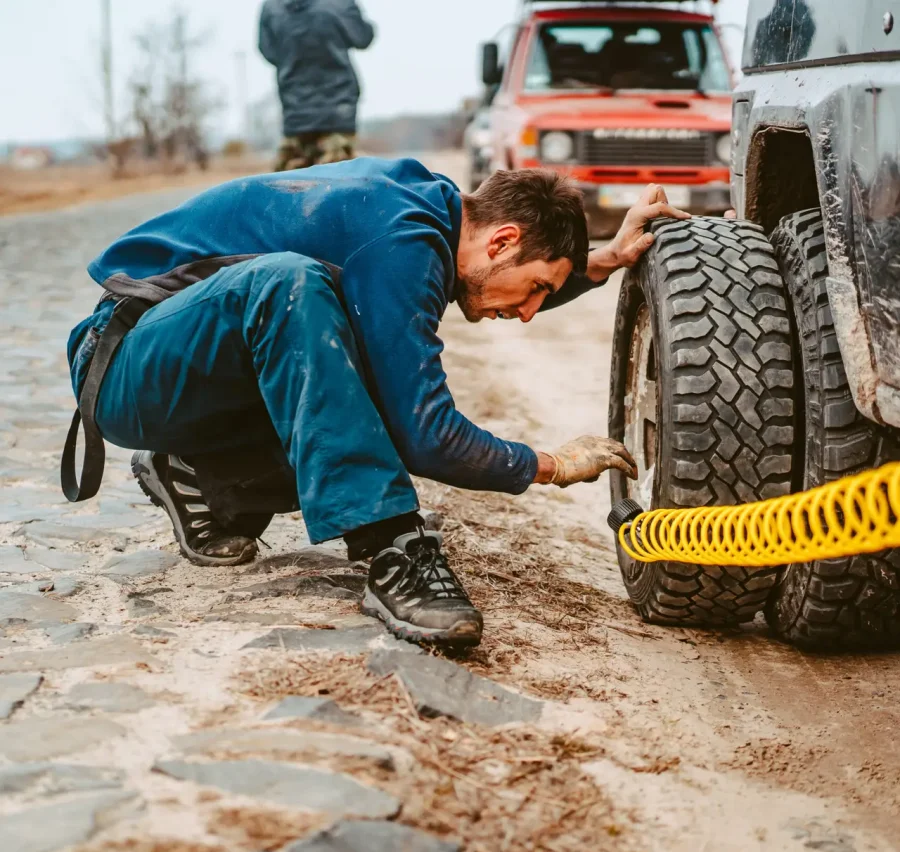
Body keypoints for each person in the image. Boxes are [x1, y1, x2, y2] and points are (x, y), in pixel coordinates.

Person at [64, 158, 688, 649]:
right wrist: (547, 465)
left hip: (181, 370)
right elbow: (423, 433)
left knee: (355, 376)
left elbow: (469, 293)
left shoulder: (433, 221)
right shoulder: (403, 236)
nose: (527, 313)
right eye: (536, 290)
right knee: (292, 287)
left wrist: (600, 261)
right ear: (502, 241)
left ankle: (202, 477)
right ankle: (391, 546)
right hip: (121, 362)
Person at [258, 0, 375, 171]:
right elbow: (363, 38)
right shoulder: (340, 3)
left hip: (294, 111)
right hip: (338, 110)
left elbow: (268, 50)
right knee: (339, 183)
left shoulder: (271, 6)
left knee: (290, 187)